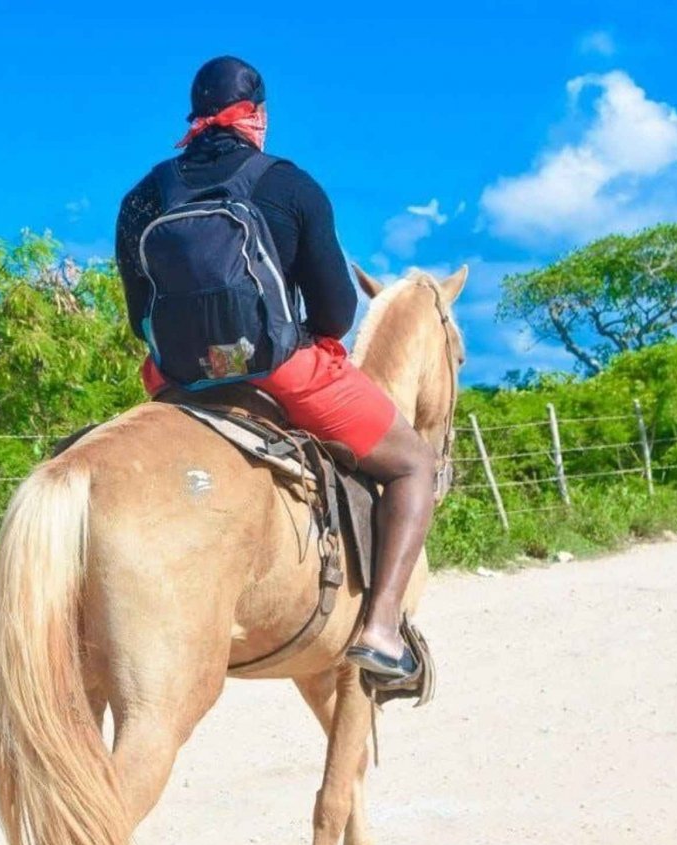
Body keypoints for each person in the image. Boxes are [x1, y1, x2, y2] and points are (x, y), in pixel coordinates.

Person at [114, 56, 436, 691]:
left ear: (195, 117)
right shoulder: (290, 185)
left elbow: (137, 316)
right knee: (413, 464)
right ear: (257, 117)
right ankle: (381, 629)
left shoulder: (143, 195)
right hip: (277, 373)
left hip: (174, 379)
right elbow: (337, 313)